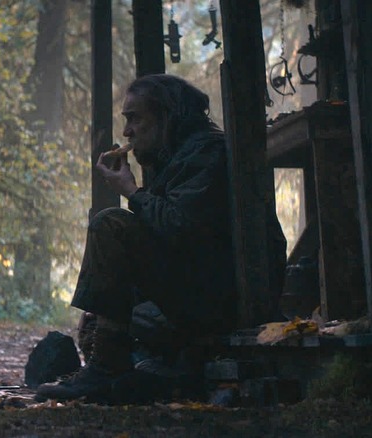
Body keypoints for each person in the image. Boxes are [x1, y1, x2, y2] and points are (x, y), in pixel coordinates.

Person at [35, 74, 287, 403]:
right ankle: (139, 374)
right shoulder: (177, 156)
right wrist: (109, 302)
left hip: (223, 300)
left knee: (110, 224)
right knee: (98, 323)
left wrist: (131, 191)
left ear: (166, 116)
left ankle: (107, 371)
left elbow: (180, 228)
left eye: (134, 118)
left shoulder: (207, 152)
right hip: (200, 290)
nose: (127, 132)